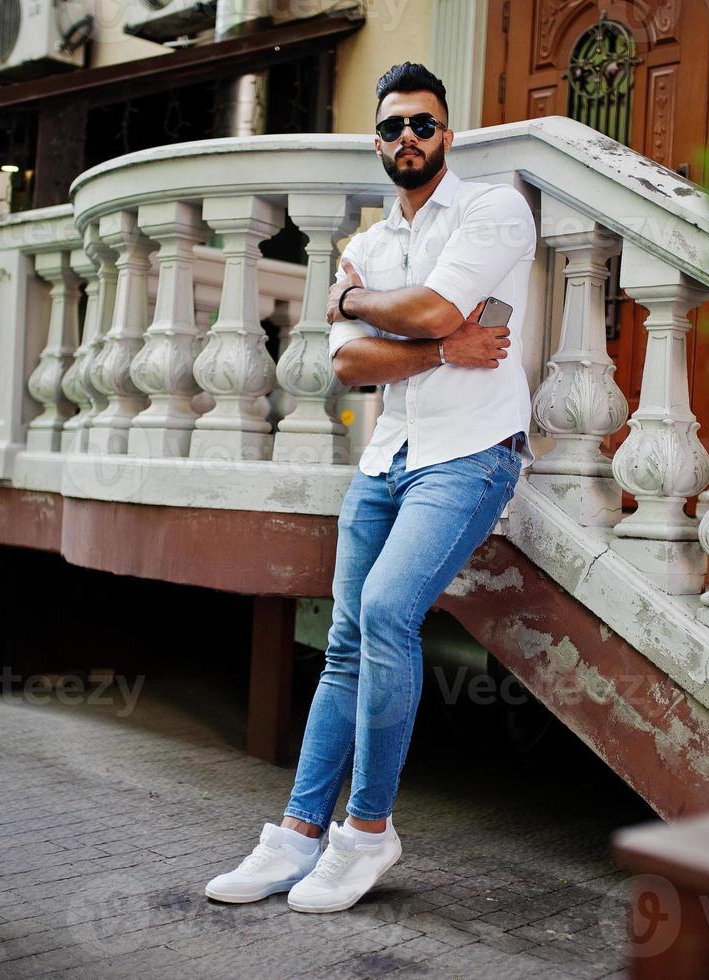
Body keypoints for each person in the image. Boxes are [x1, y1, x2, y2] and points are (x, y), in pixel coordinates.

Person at [205, 62, 538, 913]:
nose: (406, 141)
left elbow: (429, 309)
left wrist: (379, 308)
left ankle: (367, 832)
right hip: (388, 454)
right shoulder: (365, 244)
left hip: (470, 453)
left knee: (387, 615)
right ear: (379, 142)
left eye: (421, 125)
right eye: (390, 128)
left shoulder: (492, 209)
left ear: (446, 134)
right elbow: (349, 361)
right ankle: (296, 834)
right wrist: (432, 341)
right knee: (347, 640)